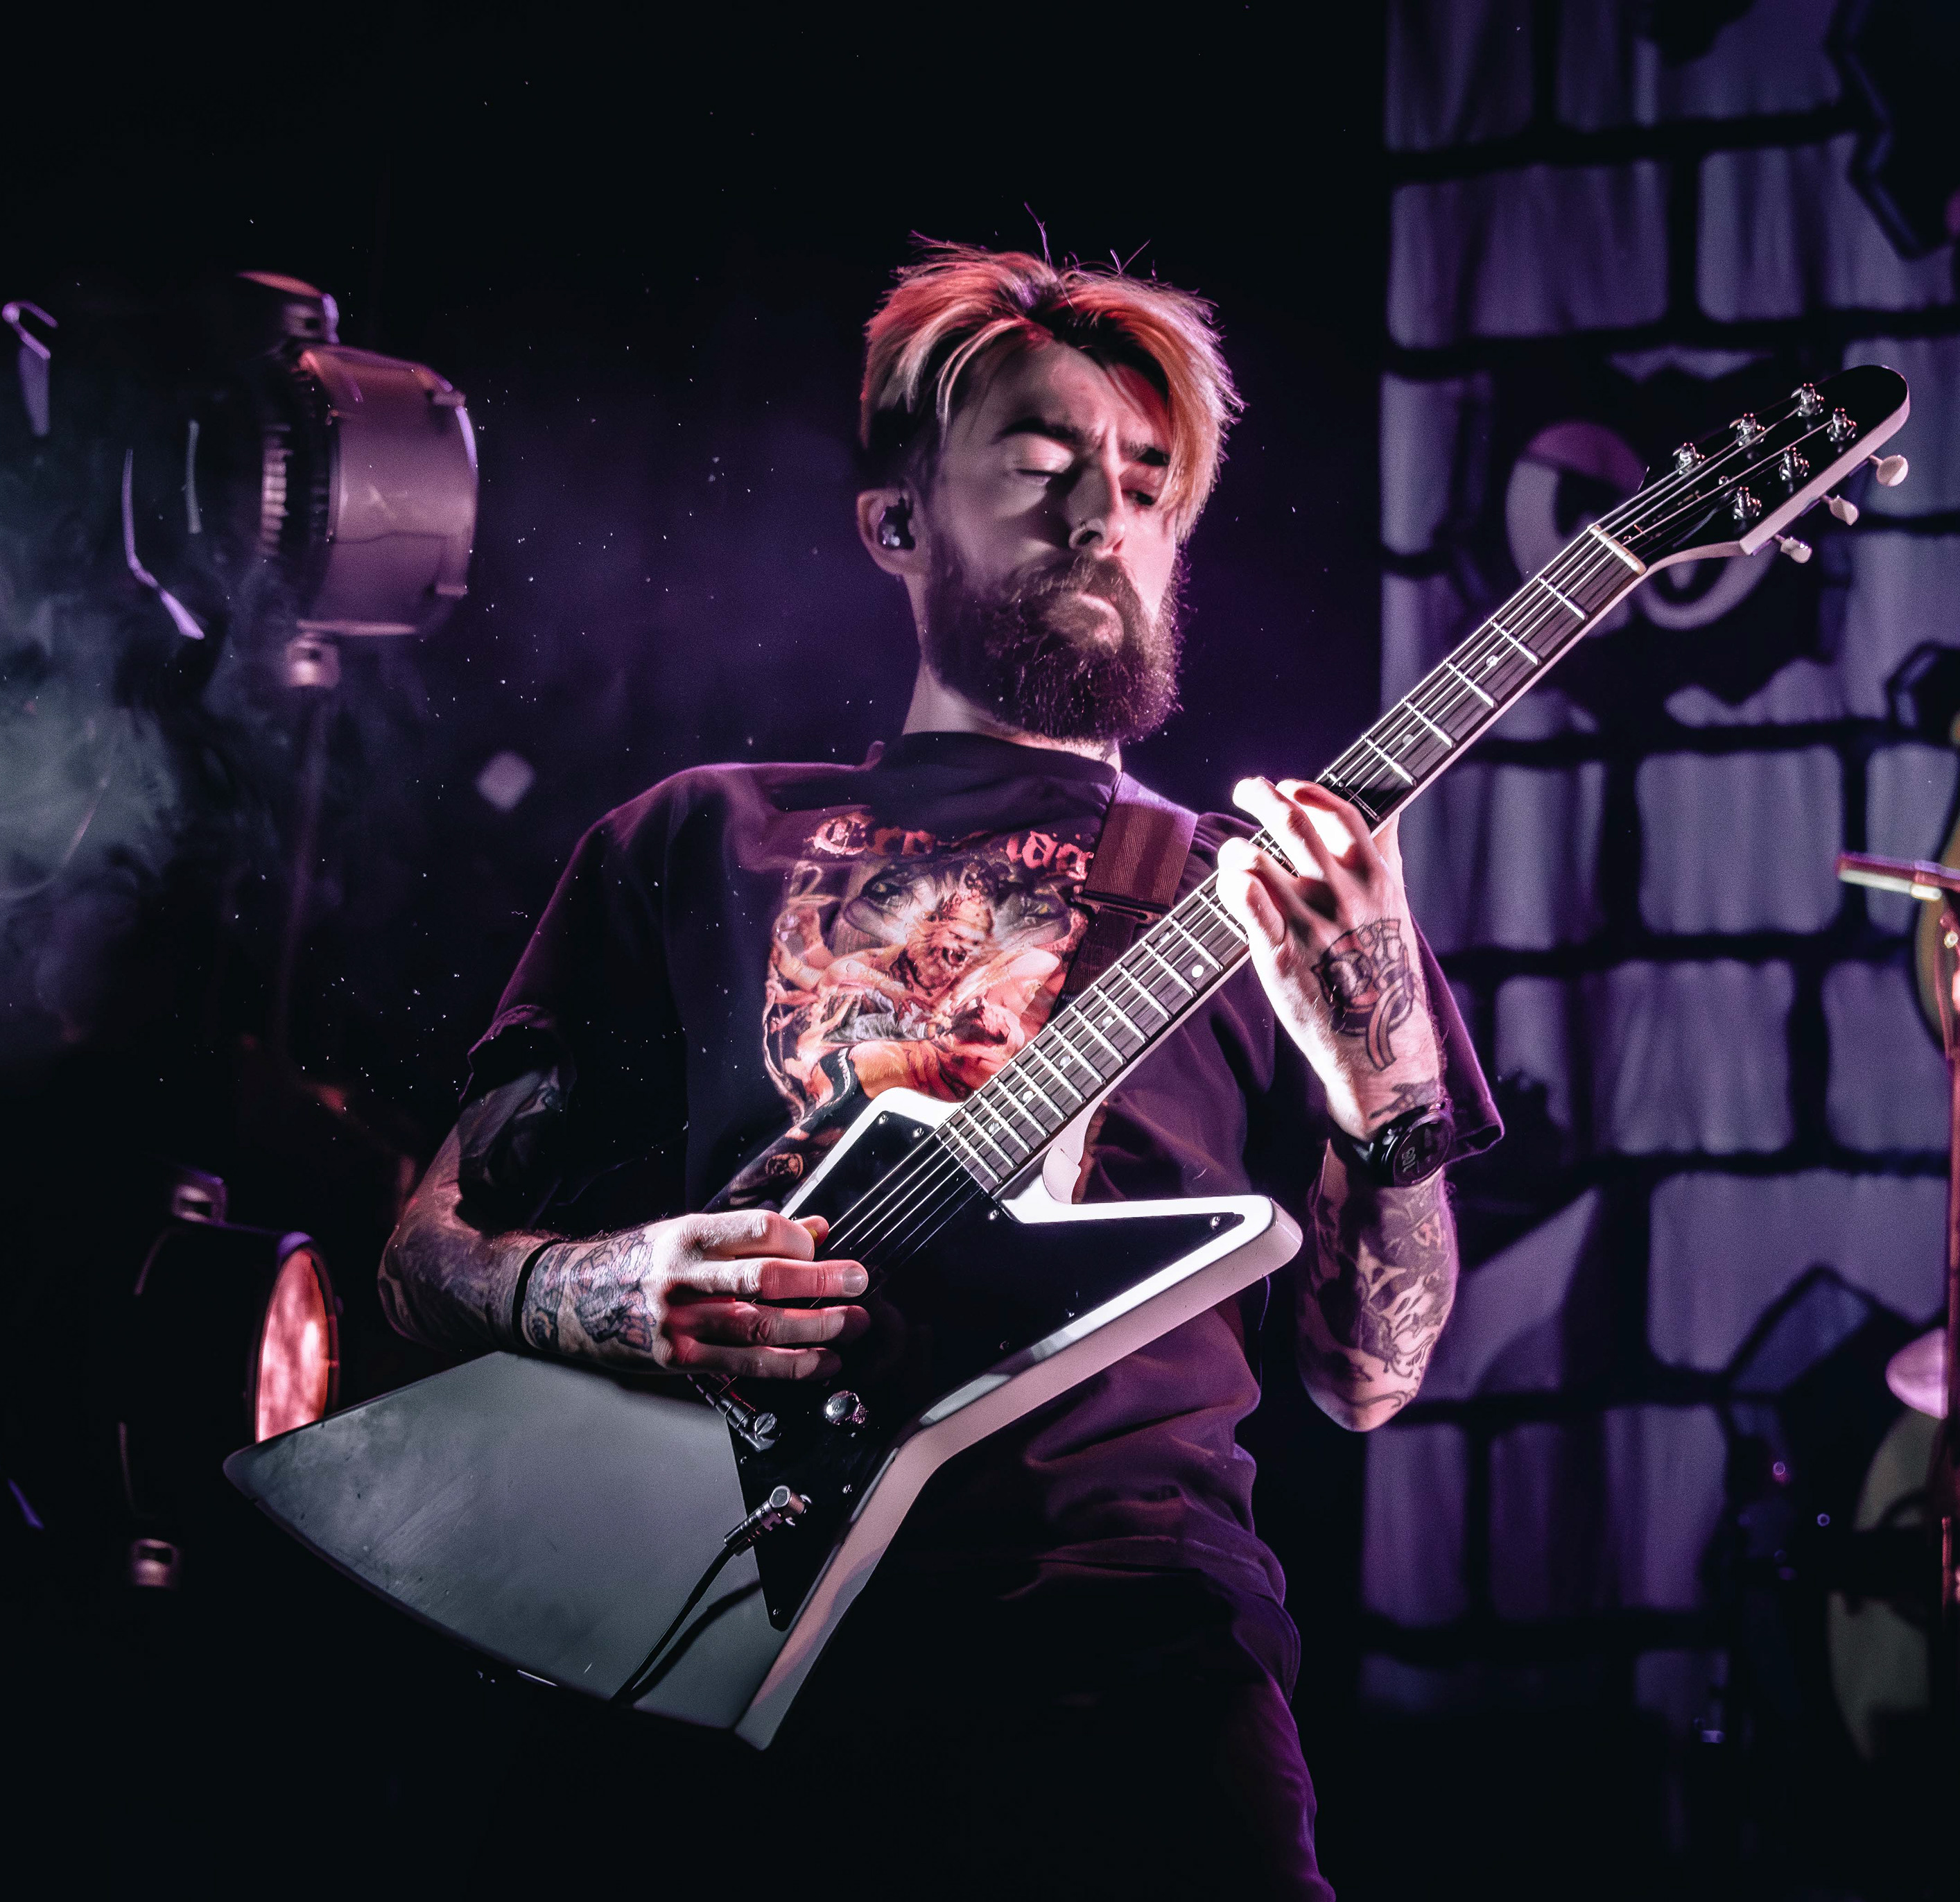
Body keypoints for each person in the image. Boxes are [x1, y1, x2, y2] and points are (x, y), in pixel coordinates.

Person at [377, 244, 1498, 1898]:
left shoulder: (1256, 898)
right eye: (1041, 466)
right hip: (718, 1628)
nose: (1102, 516)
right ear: (897, 523)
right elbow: (422, 1261)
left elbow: (1369, 1378)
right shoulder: (698, 835)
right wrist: (611, 1291)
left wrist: (1382, 1078)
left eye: (1148, 484)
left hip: (1126, 1639)